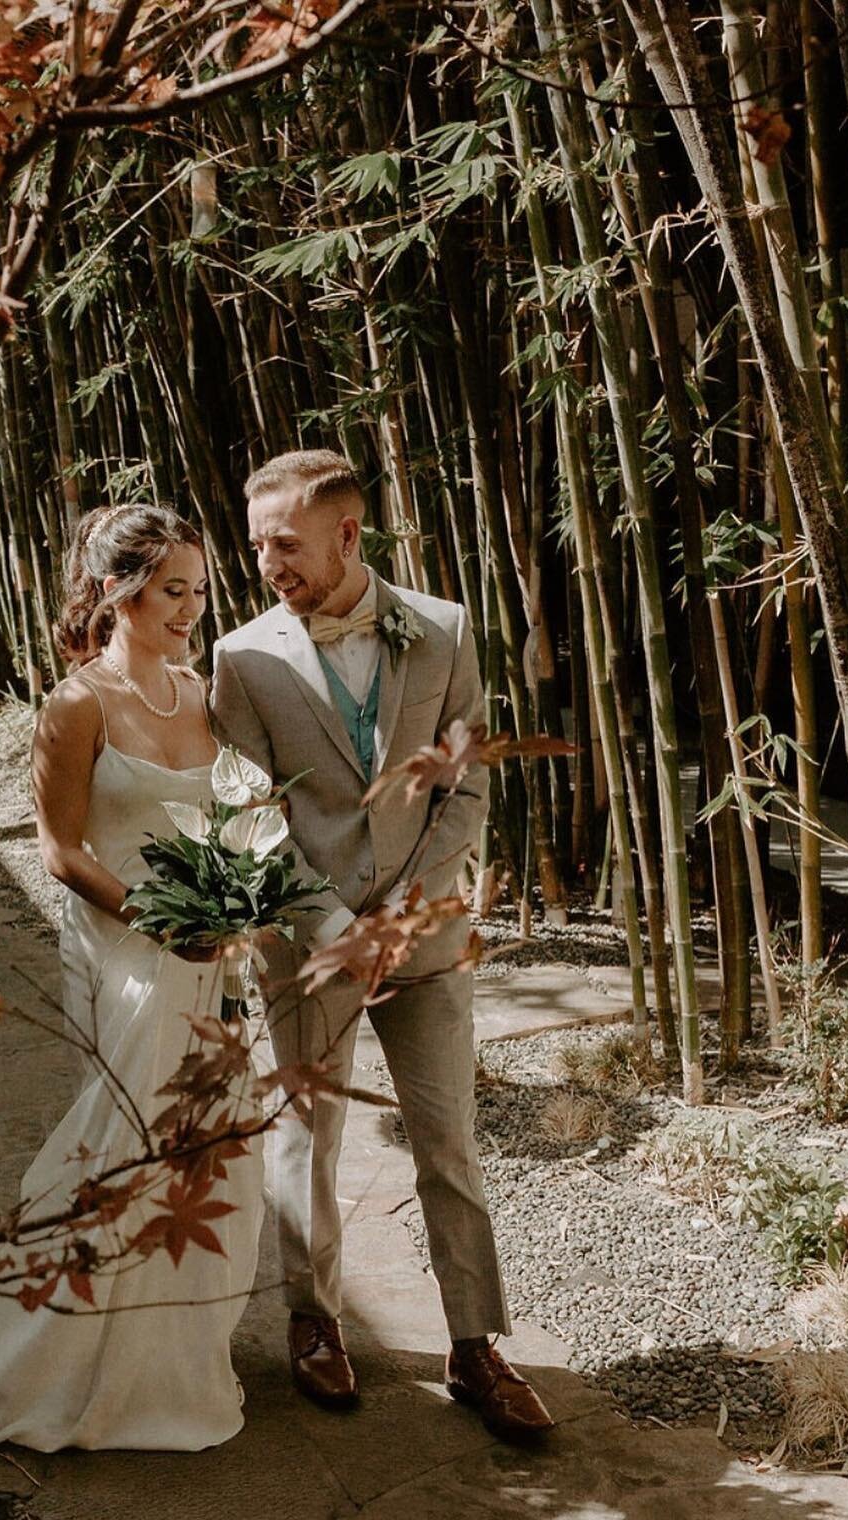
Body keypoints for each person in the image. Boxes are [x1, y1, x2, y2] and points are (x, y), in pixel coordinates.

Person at [211, 449, 553, 1443]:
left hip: (425, 933)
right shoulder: (243, 658)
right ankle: (316, 1324)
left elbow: (469, 789)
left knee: (447, 1140)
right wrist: (331, 925)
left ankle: (476, 1345)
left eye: (285, 542)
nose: (267, 560)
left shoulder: (443, 628)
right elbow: (245, 809)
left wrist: (401, 910)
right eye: (257, 543)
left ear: (348, 534)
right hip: (305, 942)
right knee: (303, 1140)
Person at [0, 505, 264, 1453]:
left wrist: (237, 900)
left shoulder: (203, 694)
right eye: (171, 591)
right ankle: (53, 1358)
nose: (191, 608)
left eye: (198, 589)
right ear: (119, 591)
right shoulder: (75, 705)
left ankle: (171, 1360)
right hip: (125, 948)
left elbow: (236, 819)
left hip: (212, 955)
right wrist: (161, 918)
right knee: (127, 1139)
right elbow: (59, 849)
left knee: (209, 1148)